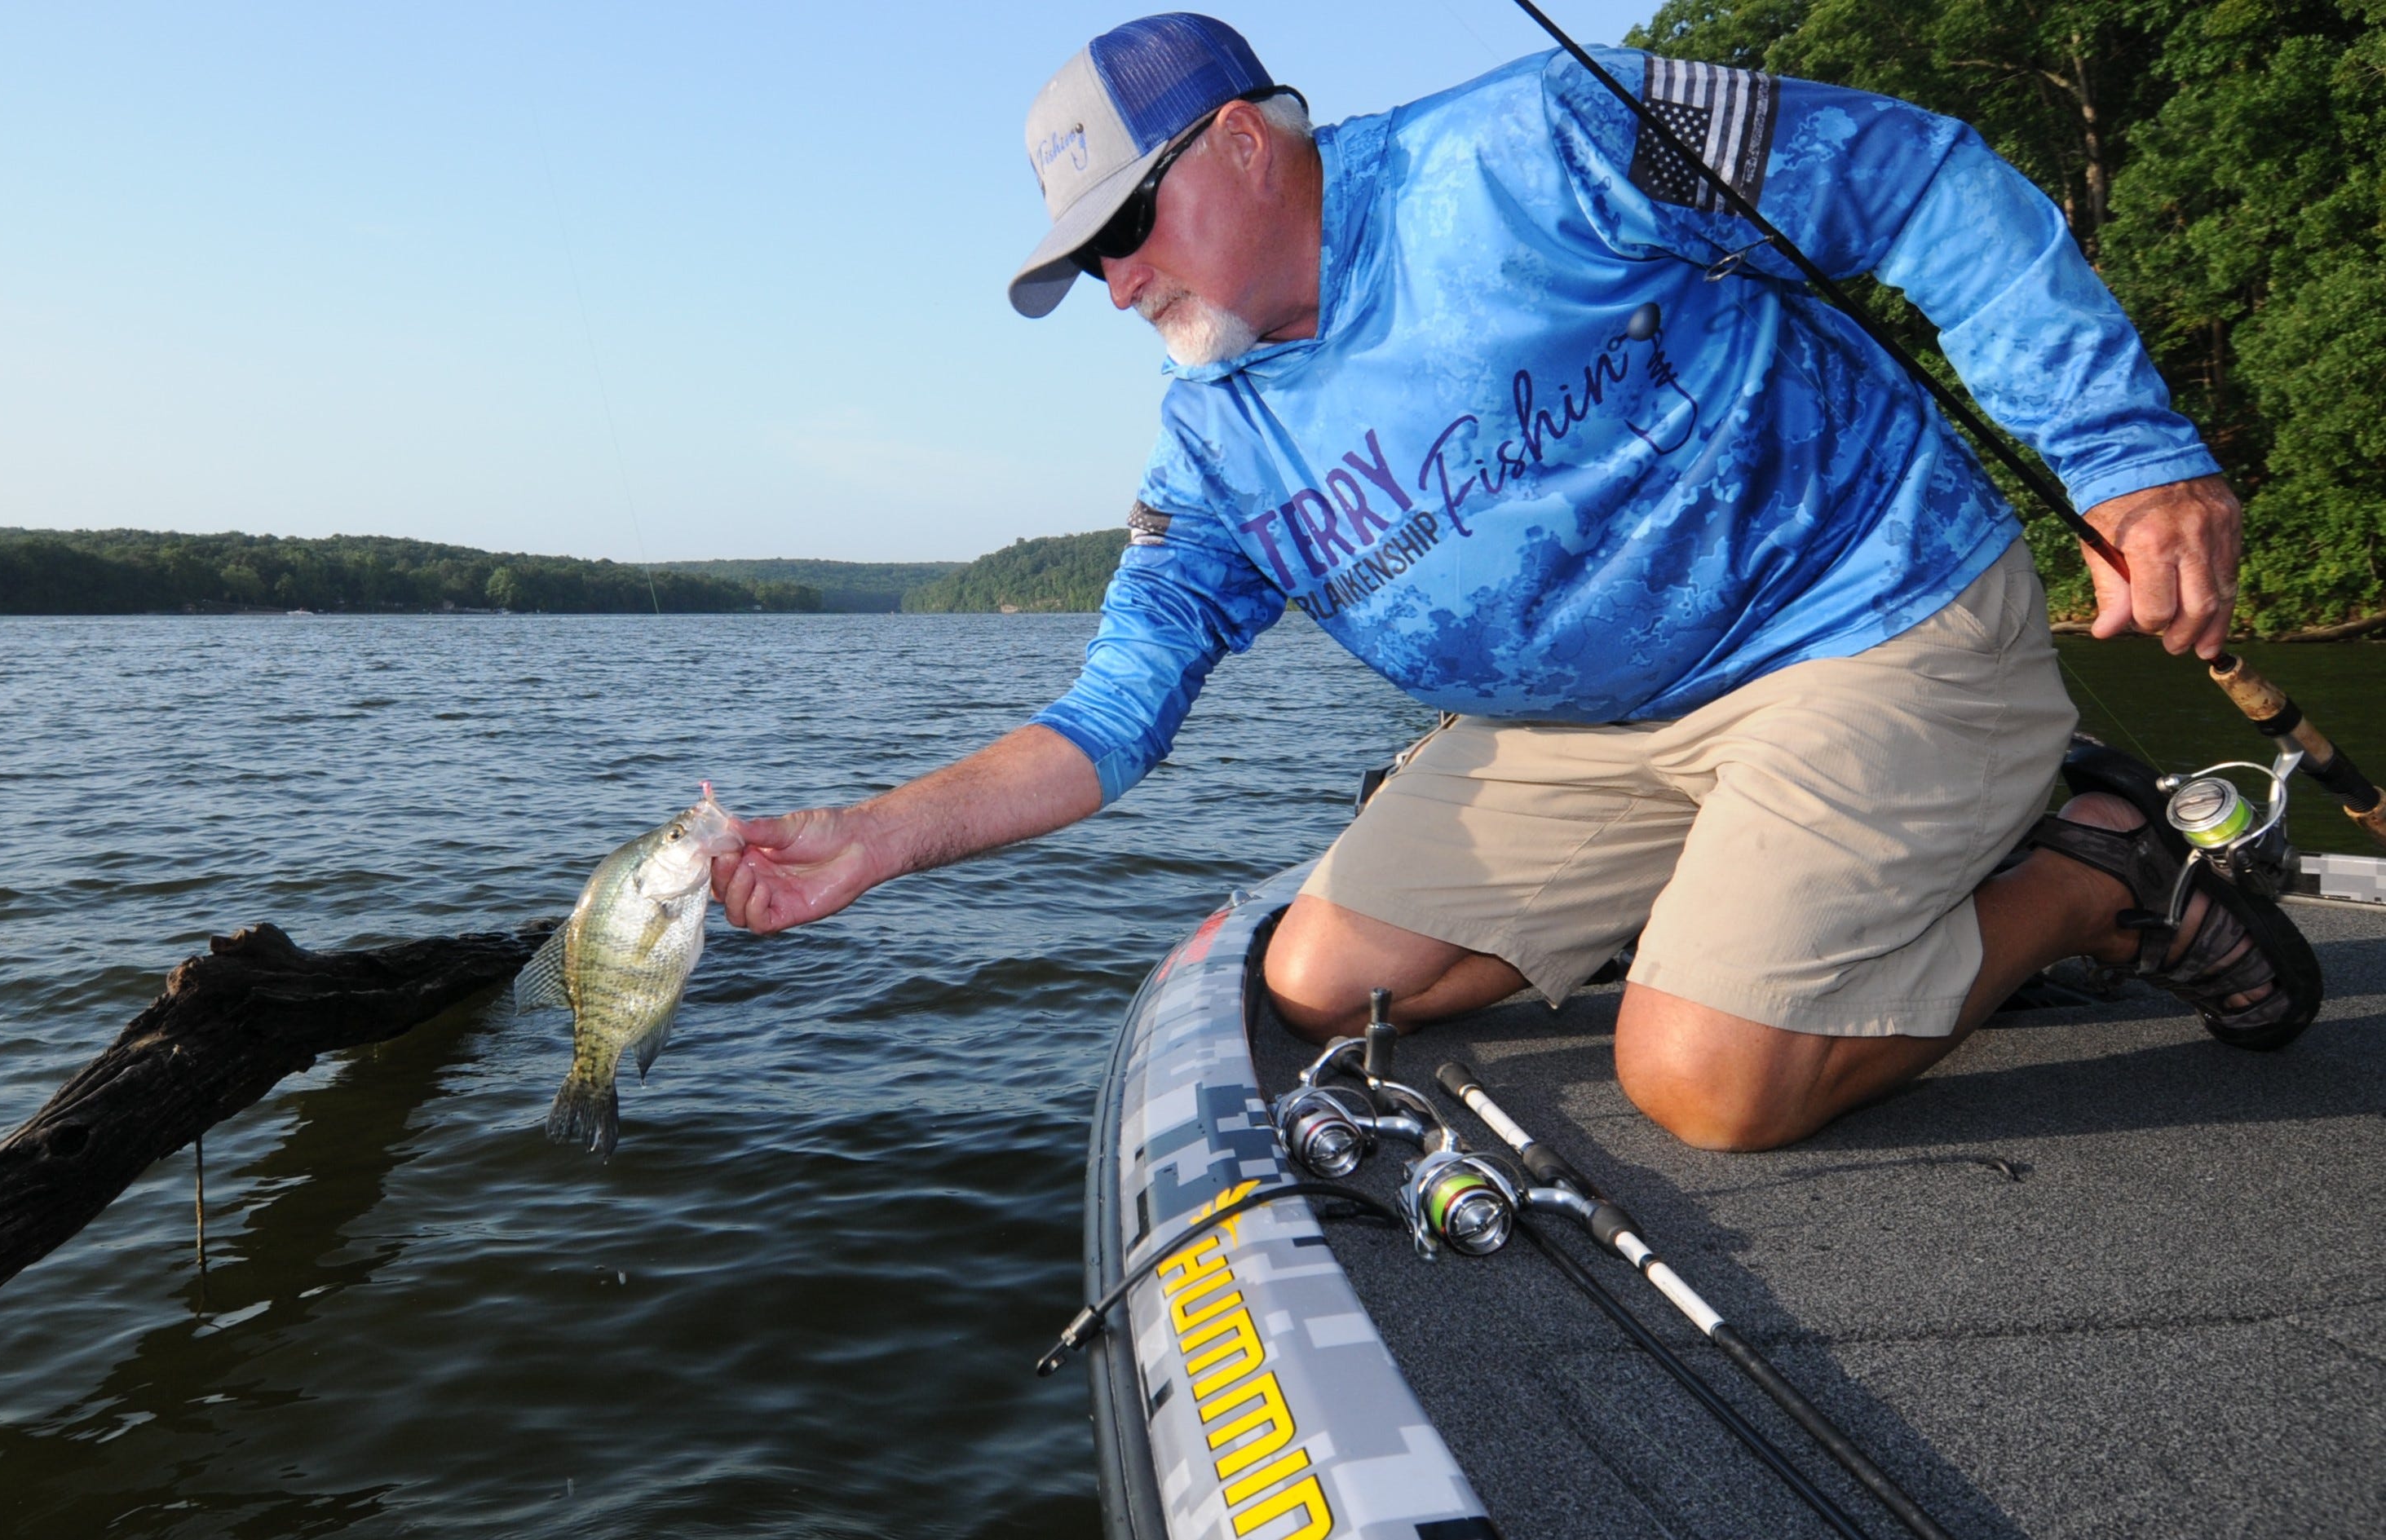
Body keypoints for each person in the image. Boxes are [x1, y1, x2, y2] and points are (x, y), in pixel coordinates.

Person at [713, 13, 2318, 1150]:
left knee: (1701, 1085)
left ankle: (2092, 874)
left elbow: (1920, 180)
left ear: (1241, 142)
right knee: (1321, 980)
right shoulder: (1212, 455)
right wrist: (875, 838)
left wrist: (2124, 455)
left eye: (1124, 224)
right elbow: (1109, 719)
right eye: (1082, 262)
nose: (1116, 281)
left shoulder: (1535, 146)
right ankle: (1758, 888)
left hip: (1861, 620)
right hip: (1602, 731)